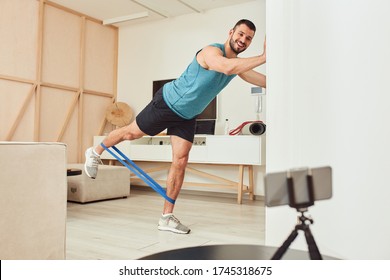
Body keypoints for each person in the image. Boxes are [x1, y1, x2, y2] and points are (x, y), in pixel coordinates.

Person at [84, 19, 266, 234]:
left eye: (248, 38)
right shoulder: (211, 52)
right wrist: (264, 57)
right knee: (131, 133)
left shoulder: (238, 66)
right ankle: (95, 152)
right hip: (168, 103)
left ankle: (166, 217)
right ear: (231, 32)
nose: (243, 40)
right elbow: (226, 68)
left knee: (180, 160)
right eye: (241, 34)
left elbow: (260, 79)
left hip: (187, 115)